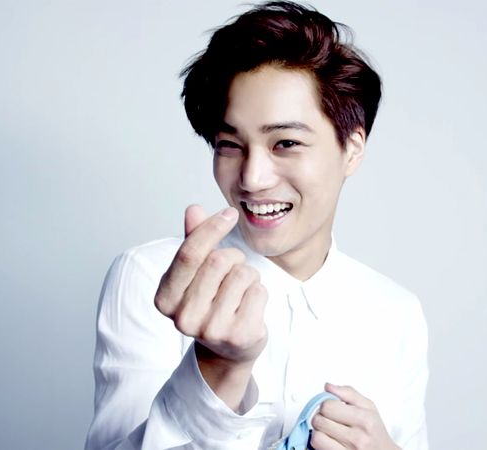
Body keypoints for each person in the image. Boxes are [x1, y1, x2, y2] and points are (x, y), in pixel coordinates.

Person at [85, 2, 429, 449]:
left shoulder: (397, 313)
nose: (251, 178)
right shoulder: (150, 276)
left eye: (285, 142)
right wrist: (218, 370)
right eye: (230, 144)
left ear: (352, 148)